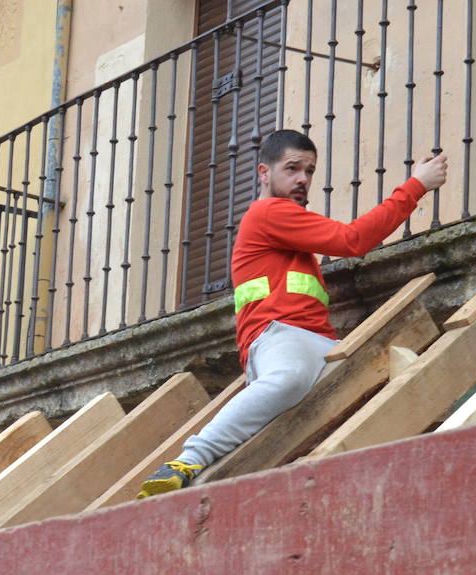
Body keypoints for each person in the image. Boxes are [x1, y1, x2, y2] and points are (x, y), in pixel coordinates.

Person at [137, 130, 449, 497]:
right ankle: (188, 460)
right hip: (278, 338)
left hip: (317, 344)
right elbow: (352, 240)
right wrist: (415, 186)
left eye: (310, 170)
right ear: (264, 173)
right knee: (287, 378)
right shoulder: (270, 212)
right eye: (292, 168)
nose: (303, 178)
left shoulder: (287, 232)